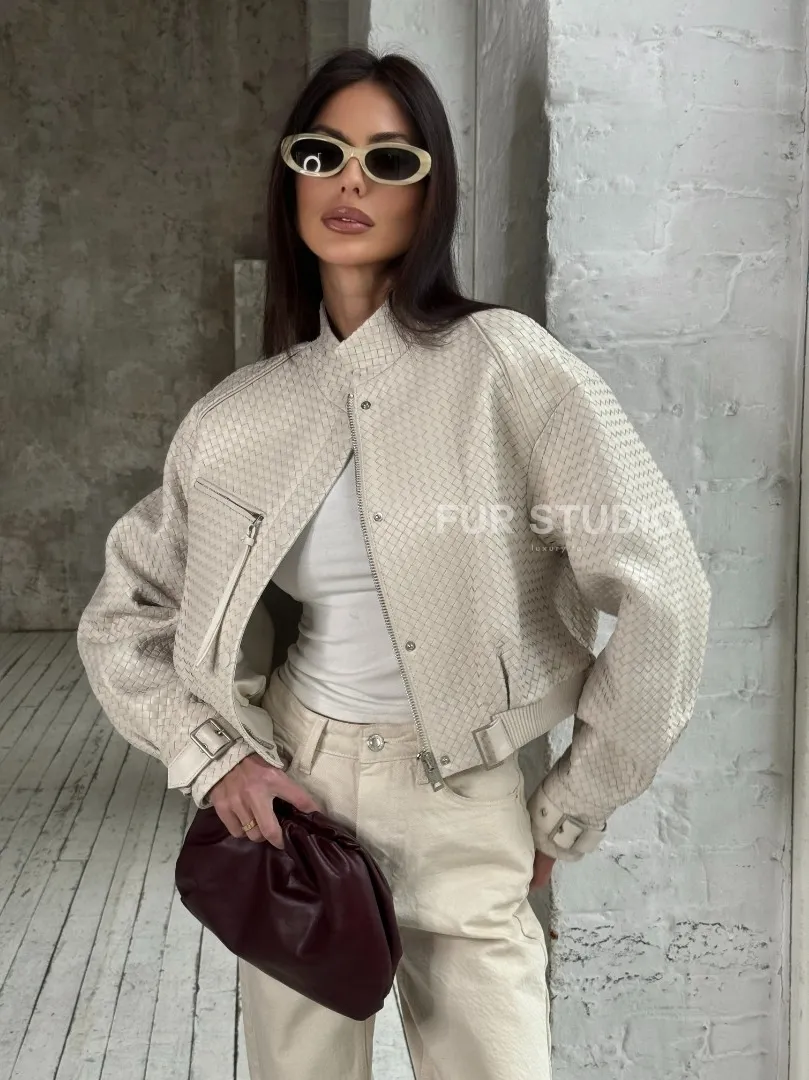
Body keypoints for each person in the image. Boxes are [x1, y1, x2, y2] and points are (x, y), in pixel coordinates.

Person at [77, 45, 711, 1080]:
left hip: (461, 797)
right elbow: (125, 613)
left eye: (389, 159)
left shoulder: (505, 367)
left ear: (430, 191)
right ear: (291, 179)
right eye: (322, 154)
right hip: (294, 797)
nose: (351, 182)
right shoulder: (240, 417)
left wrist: (573, 802)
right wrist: (216, 757)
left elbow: (662, 592)